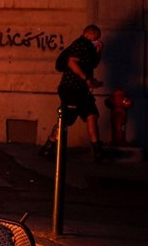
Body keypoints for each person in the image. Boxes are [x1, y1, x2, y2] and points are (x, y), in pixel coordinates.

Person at [39, 24, 105, 162]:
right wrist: (86, 78)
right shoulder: (80, 44)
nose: (96, 41)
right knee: (65, 120)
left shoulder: (88, 47)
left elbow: (91, 65)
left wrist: (98, 52)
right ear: (88, 35)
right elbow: (72, 63)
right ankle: (50, 144)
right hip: (71, 89)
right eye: (95, 39)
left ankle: (98, 150)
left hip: (82, 90)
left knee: (91, 115)